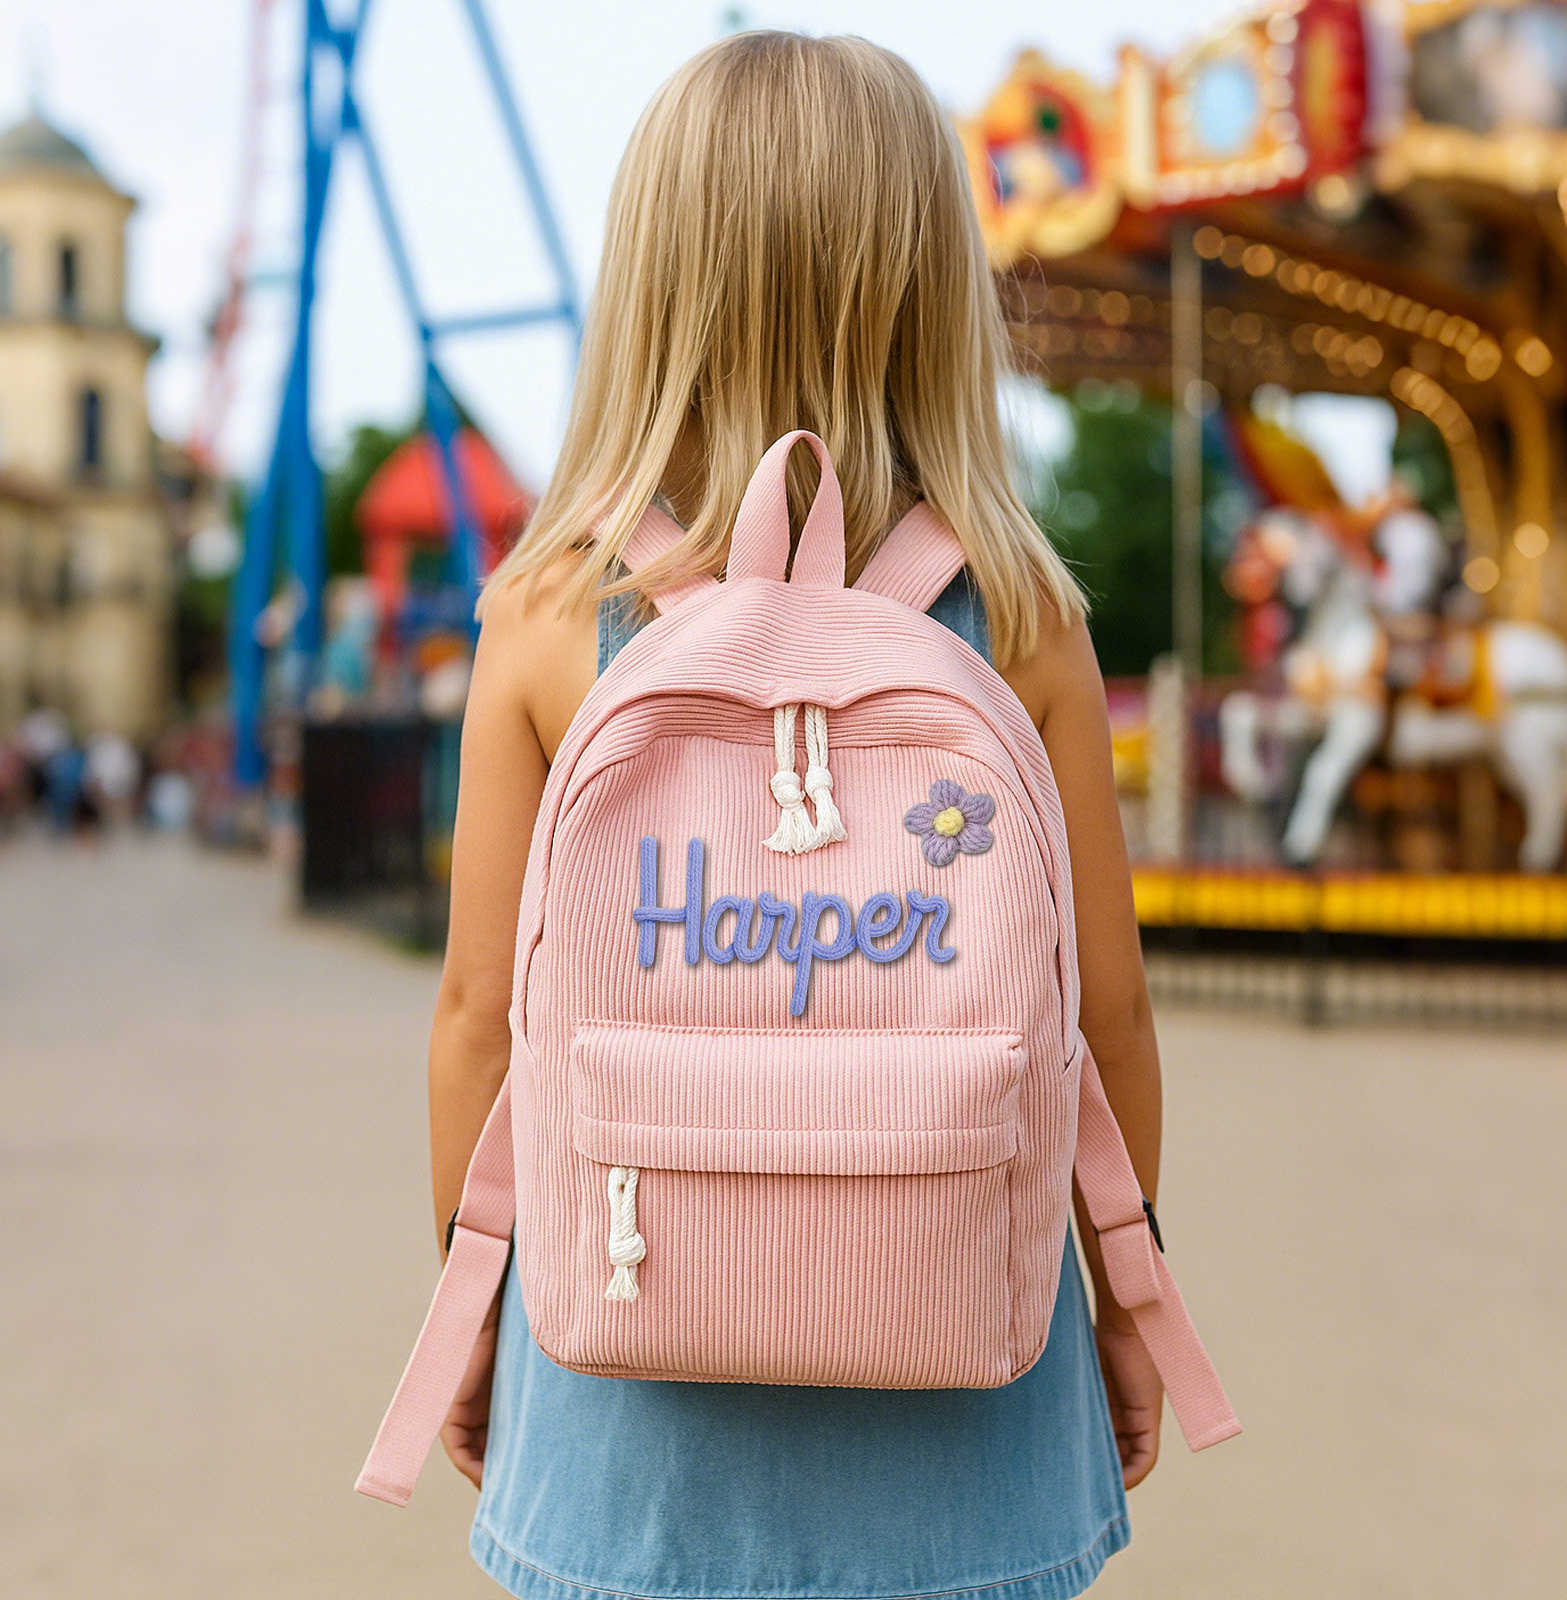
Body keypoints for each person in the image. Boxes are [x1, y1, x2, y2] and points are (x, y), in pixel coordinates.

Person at [431, 33, 1169, 1600]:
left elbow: (478, 1024)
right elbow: (1104, 1021)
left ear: (648, 285)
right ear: (935, 289)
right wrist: (1129, 1305)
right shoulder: (1021, 617)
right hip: (967, 1442)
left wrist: (472, 1315)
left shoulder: (552, 615)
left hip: (629, 1441)